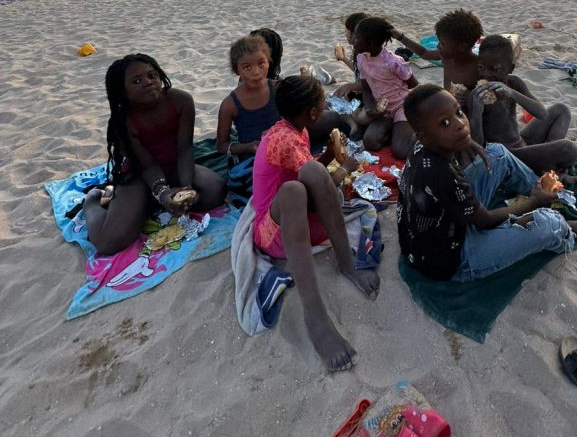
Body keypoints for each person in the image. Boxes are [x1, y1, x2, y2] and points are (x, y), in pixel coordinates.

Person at [397, 85, 577, 282]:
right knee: (548, 224)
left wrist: (468, 142)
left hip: (440, 229)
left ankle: (545, 191)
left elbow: (448, 144)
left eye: (459, 112)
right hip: (453, 258)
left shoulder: (421, 146)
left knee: (496, 153)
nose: (460, 124)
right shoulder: (443, 175)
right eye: (445, 123)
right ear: (424, 136)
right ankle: (566, 230)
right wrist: (533, 202)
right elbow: (484, 221)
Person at [251, 75, 379, 371]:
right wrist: (345, 167)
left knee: (303, 181)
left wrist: (329, 155)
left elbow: (310, 174)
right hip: (273, 232)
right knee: (293, 190)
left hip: (297, 218)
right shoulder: (285, 140)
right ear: (312, 112)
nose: (325, 107)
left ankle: (346, 263)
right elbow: (312, 180)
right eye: (322, 103)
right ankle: (315, 316)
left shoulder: (297, 130)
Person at [81, 54, 227, 256]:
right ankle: (93, 201)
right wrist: (163, 192)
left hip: (176, 167)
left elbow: (185, 148)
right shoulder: (122, 122)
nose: (148, 82)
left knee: (215, 191)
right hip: (140, 176)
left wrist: (186, 188)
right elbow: (147, 165)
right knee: (110, 243)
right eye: (136, 81)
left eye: (152, 75)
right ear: (122, 92)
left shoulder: (181, 101)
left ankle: (151, 204)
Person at [467, 35, 577, 173]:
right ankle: (550, 166)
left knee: (561, 110)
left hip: (522, 142)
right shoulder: (476, 95)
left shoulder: (514, 83)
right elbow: (477, 145)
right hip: (506, 156)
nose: (487, 75)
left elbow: (542, 114)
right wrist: (476, 112)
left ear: (510, 69)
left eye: (495, 69)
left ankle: (549, 167)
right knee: (568, 149)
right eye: (481, 68)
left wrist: (512, 93)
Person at [352, 16, 418, 159]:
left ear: (371, 43)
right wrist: (370, 109)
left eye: (357, 38)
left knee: (400, 151)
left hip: (401, 106)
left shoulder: (393, 62)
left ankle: (405, 128)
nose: (353, 40)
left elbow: (413, 83)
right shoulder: (361, 58)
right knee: (370, 142)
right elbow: (366, 89)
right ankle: (395, 128)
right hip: (382, 109)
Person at [217, 35, 279, 166]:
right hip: (252, 161)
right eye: (247, 67)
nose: (256, 72)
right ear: (236, 70)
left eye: (261, 63)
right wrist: (249, 147)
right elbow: (222, 145)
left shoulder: (279, 89)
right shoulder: (230, 104)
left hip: (283, 150)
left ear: (268, 62)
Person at [393, 8, 483, 92]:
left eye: (442, 43)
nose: (438, 46)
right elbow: (424, 53)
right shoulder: (447, 58)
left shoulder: (479, 68)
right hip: (449, 99)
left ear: (462, 46)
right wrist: (400, 37)